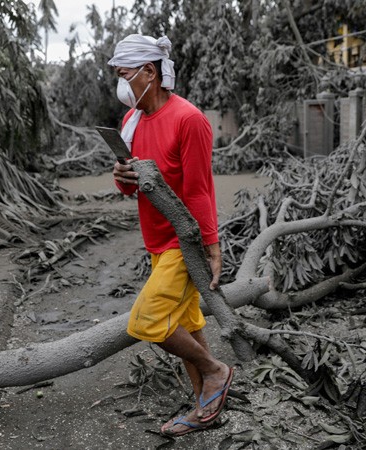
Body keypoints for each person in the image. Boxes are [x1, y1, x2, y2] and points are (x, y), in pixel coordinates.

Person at [108, 34, 233, 437]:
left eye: (125, 74)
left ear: (150, 72)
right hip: (156, 243)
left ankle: (216, 373)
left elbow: (199, 189)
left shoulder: (189, 119)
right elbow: (133, 187)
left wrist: (212, 247)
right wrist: (121, 177)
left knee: (147, 321)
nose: (120, 83)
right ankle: (204, 410)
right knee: (189, 325)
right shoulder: (132, 121)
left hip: (185, 242)